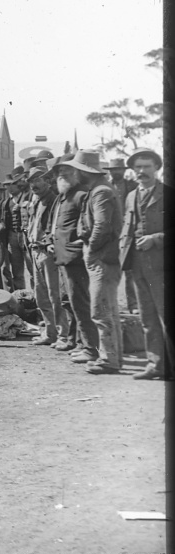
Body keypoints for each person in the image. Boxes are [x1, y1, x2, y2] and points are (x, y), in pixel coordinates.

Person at [64, 150, 125, 375]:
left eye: (76, 170)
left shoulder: (100, 192)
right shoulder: (98, 190)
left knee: (101, 310)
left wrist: (91, 250)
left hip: (102, 258)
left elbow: (101, 226)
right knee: (106, 309)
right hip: (104, 256)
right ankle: (112, 357)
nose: (74, 174)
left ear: (85, 171)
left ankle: (109, 359)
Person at [120, 148, 169, 380]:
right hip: (137, 266)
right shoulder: (130, 196)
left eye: (147, 167)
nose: (141, 172)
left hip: (162, 267)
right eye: (137, 167)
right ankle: (155, 365)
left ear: (157, 168)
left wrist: (156, 238)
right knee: (147, 318)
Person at [51, 155, 100, 365]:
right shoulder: (63, 196)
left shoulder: (81, 195)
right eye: (59, 173)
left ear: (76, 174)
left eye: (67, 173)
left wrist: (80, 243)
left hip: (75, 257)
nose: (62, 176)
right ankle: (81, 343)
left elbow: (88, 224)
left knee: (81, 302)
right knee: (71, 301)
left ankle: (90, 347)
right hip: (62, 256)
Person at [25, 167, 63, 347]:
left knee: (55, 295)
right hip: (35, 251)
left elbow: (54, 228)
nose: (34, 184)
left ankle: (63, 334)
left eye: (38, 180)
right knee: (41, 296)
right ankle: (50, 332)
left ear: (48, 181)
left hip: (47, 252)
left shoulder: (54, 201)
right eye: (31, 181)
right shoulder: (37, 201)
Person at [107, 157, 140, 313]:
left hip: (128, 233)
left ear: (124, 171)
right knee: (109, 270)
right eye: (113, 170)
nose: (116, 172)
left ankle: (133, 305)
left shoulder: (133, 186)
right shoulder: (106, 187)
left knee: (129, 270)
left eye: (119, 169)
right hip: (110, 235)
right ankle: (112, 305)